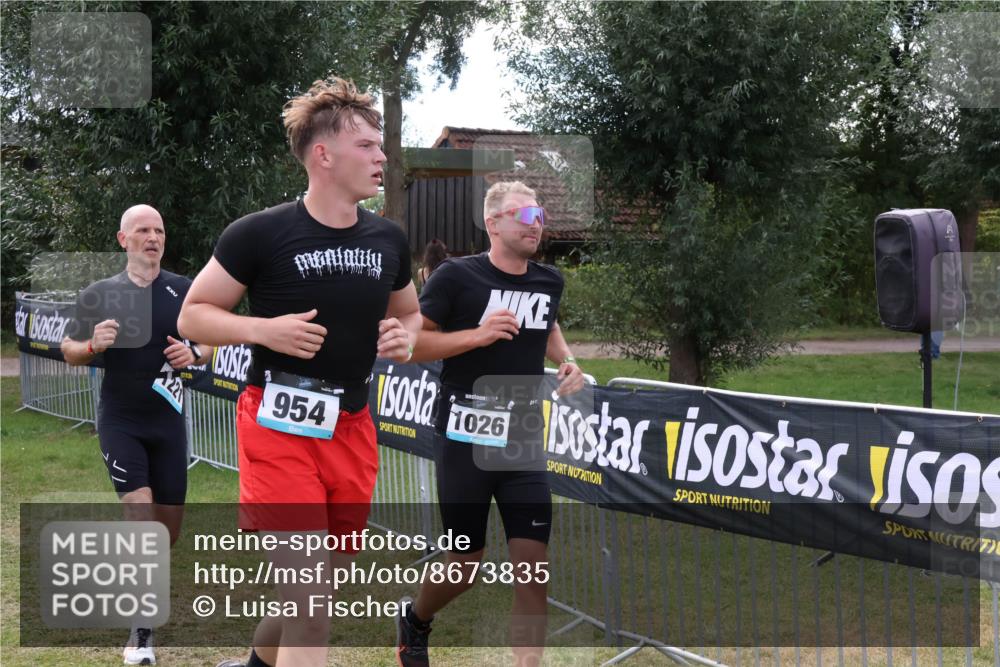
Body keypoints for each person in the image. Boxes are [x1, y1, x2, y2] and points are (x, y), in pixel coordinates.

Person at [177, 76, 421, 667]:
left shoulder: (388, 239)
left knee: (313, 592)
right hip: (276, 427)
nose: (382, 157)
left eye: (380, 146)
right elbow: (193, 315)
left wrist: (405, 336)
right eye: (367, 145)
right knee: (311, 602)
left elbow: (410, 313)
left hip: (352, 428)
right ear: (323, 155)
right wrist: (263, 330)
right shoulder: (259, 233)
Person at [396, 181, 585, 667]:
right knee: (465, 564)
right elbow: (413, 346)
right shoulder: (457, 277)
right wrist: (476, 337)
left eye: (540, 215)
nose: (536, 224)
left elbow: (548, 324)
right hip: (465, 441)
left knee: (533, 572)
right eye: (525, 215)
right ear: (493, 223)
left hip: (521, 443)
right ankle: (416, 619)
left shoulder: (548, 281)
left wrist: (567, 360)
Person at [61, 203, 212, 666]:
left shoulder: (184, 290)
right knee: (141, 516)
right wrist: (93, 344)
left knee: (166, 532)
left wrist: (195, 355)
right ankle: (141, 634)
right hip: (121, 420)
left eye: (159, 230)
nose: (153, 237)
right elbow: (68, 349)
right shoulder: (100, 294)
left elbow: (209, 339)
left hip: (168, 423)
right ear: (123, 239)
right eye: (143, 230)